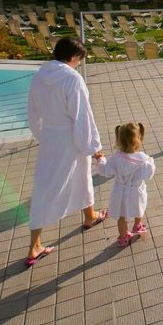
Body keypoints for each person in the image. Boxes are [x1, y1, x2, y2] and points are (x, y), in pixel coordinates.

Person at [26, 36, 106, 267]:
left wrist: (42, 134)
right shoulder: (72, 78)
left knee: (64, 180)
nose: (79, 63)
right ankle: (34, 247)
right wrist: (93, 146)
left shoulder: (40, 75)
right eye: (79, 59)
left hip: (51, 137)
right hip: (70, 137)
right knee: (50, 189)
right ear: (73, 57)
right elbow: (82, 115)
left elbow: (32, 111)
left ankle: (90, 216)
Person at [96, 122, 156, 248]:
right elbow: (149, 176)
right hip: (136, 191)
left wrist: (100, 159)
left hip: (120, 193)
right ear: (138, 139)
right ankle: (137, 225)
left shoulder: (116, 158)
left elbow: (104, 171)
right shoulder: (144, 160)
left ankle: (123, 237)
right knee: (139, 209)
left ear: (119, 140)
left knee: (121, 217)